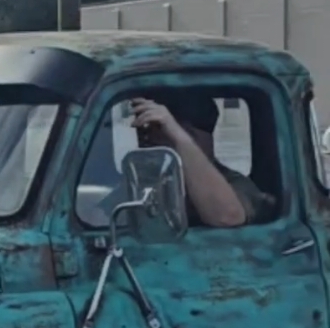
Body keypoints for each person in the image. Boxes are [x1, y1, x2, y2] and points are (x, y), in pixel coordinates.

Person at [97, 90, 274, 228]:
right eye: (144, 135)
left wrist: (179, 137)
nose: (148, 145)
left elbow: (228, 217)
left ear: (198, 137)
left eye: (159, 133)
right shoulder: (147, 185)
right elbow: (100, 218)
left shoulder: (235, 184)